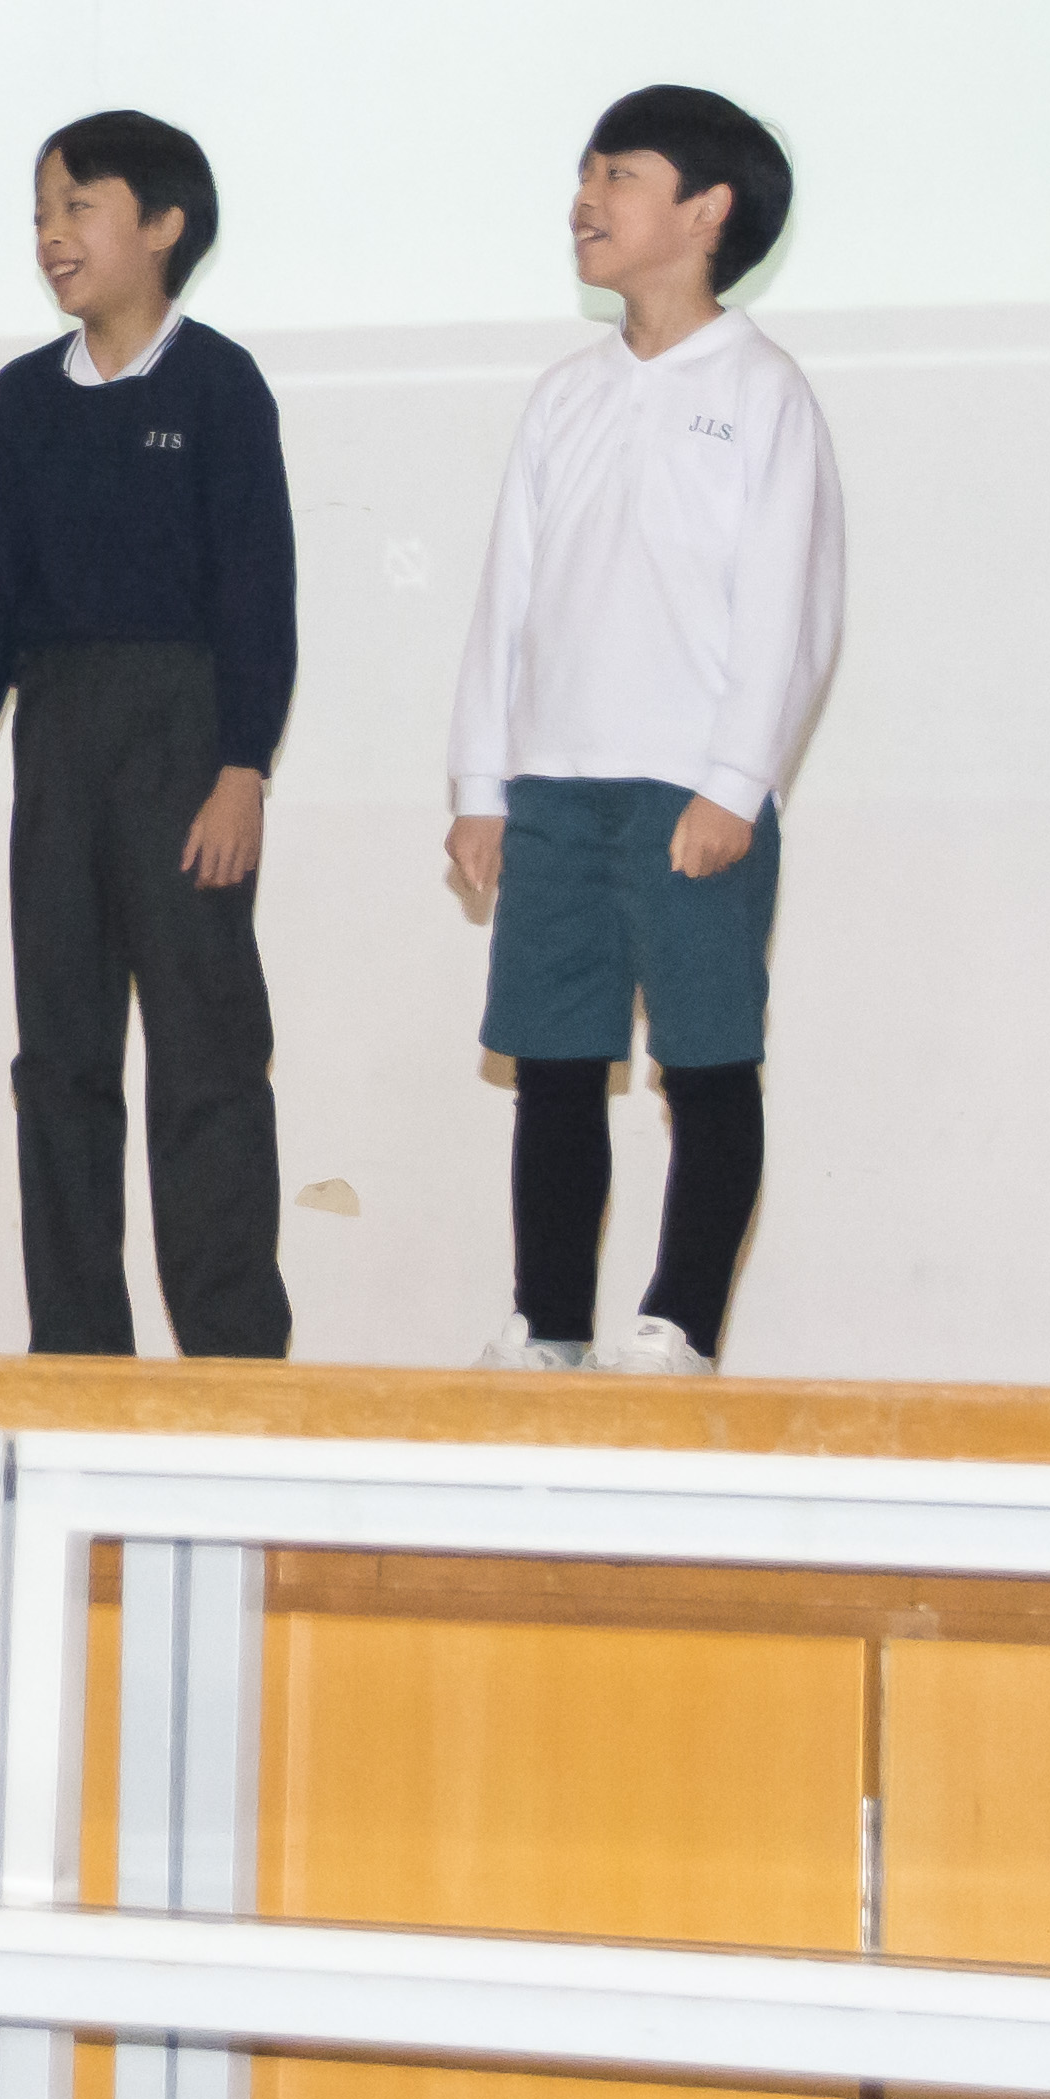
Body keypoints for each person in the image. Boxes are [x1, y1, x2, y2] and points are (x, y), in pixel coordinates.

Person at [446, 87, 842, 1376]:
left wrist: (736, 781)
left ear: (707, 209)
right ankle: (550, 1323)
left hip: (689, 788)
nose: (585, 197)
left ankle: (679, 1324)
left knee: (705, 1059)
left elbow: (790, 609)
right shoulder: (563, 393)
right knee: (554, 1062)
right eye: (584, 171)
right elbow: (504, 597)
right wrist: (479, 783)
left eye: (618, 173)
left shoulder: (763, 390)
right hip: (551, 784)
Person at [0, 113, 296, 1360]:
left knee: (204, 1051)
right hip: (57, 736)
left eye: (77, 205)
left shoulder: (219, 384)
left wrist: (241, 766)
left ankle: (232, 1354)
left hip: (185, 735)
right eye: (40, 211)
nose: (50, 233)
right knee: (59, 1057)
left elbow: (257, 592)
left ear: (164, 224)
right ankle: (76, 1351)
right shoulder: (22, 397)